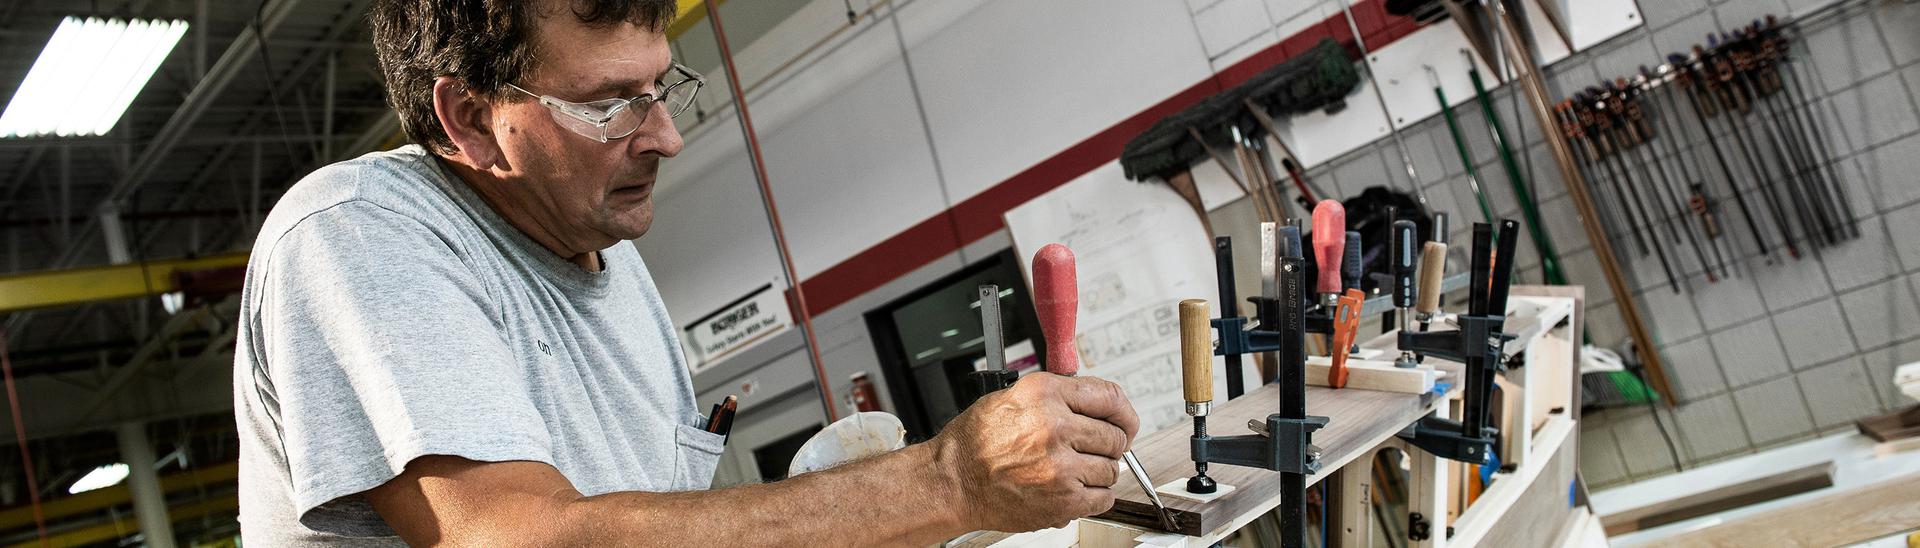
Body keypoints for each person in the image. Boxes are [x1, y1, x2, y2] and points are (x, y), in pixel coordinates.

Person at [231, 0, 1142, 545]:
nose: (664, 134)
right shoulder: (356, 237)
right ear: (468, 117)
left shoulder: (607, 261)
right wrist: (945, 481)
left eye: (660, 87)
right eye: (608, 105)